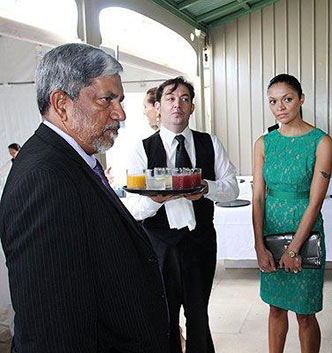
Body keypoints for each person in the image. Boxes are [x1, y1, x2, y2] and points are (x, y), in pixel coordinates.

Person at [0, 43, 172, 352]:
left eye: (119, 100)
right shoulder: (44, 178)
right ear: (61, 104)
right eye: (107, 100)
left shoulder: (74, 161)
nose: (120, 113)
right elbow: (51, 327)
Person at [125, 76, 239, 353]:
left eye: (185, 99)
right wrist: (154, 201)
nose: (178, 104)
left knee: (199, 315)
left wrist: (206, 188)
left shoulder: (209, 143)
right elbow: (134, 208)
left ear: (192, 108)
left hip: (199, 241)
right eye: (170, 99)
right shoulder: (142, 149)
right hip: (158, 243)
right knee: (164, 316)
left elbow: (232, 188)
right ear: (157, 107)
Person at [253, 74, 332, 353]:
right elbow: (258, 197)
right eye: (273, 101)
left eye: (287, 99)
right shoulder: (264, 143)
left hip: (306, 233)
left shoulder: (321, 142)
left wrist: (295, 248)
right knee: (275, 308)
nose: (280, 107)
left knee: (304, 311)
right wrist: (259, 245)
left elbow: (315, 202)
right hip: (270, 231)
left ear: (301, 99)